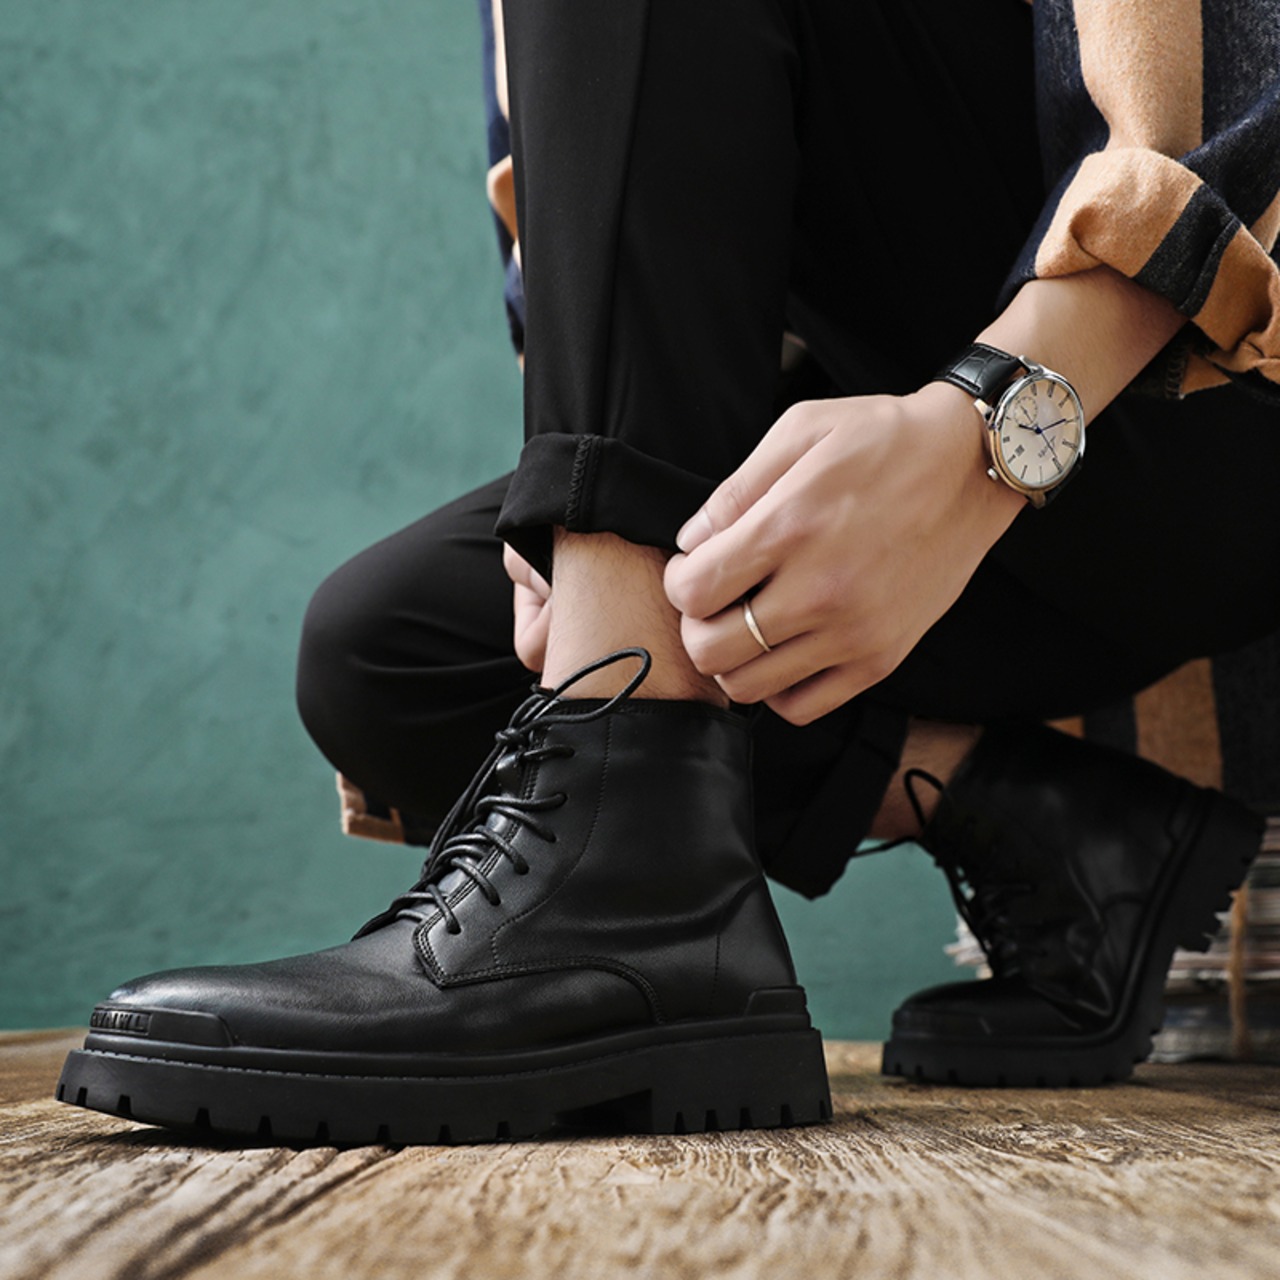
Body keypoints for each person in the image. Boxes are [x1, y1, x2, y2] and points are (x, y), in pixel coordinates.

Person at [60, 0, 1280, 1140]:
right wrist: (587, 508)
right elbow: (599, 171)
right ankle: (1046, 825)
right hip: (916, 478)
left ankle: (623, 886)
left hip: (1194, 387)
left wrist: (979, 434)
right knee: (389, 649)